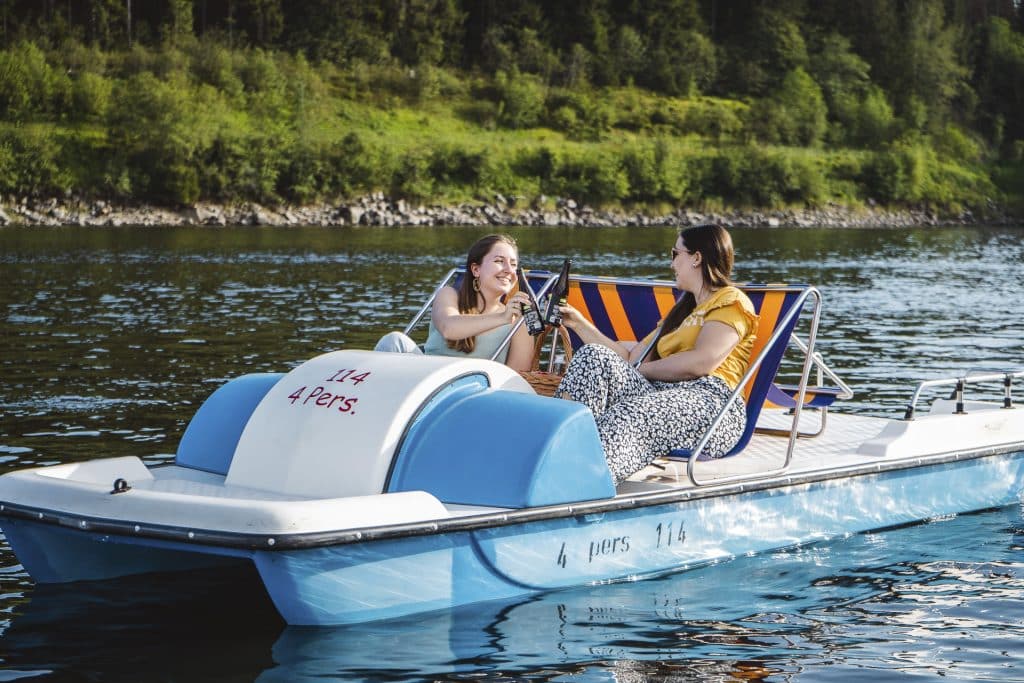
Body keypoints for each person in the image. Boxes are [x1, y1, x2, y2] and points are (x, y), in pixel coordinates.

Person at [554, 224, 759, 485]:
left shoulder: (731, 300)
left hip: (712, 406)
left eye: (675, 254)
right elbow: (630, 361)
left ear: (696, 258)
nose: (672, 263)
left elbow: (702, 362)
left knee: (630, 413)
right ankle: (561, 456)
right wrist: (579, 323)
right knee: (592, 358)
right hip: (662, 394)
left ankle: (585, 484)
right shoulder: (680, 314)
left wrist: (641, 372)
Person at [374, 234, 535, 372]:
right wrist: (502, 317)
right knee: (394, 341)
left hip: (471, 393)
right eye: (499, 261)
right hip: (424, 378)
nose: (509, 270)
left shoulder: (519, 321)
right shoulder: (449, 295)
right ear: (476, 270)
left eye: (513, 264)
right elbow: (448, 328)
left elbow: (515, 379)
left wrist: (507, 317)